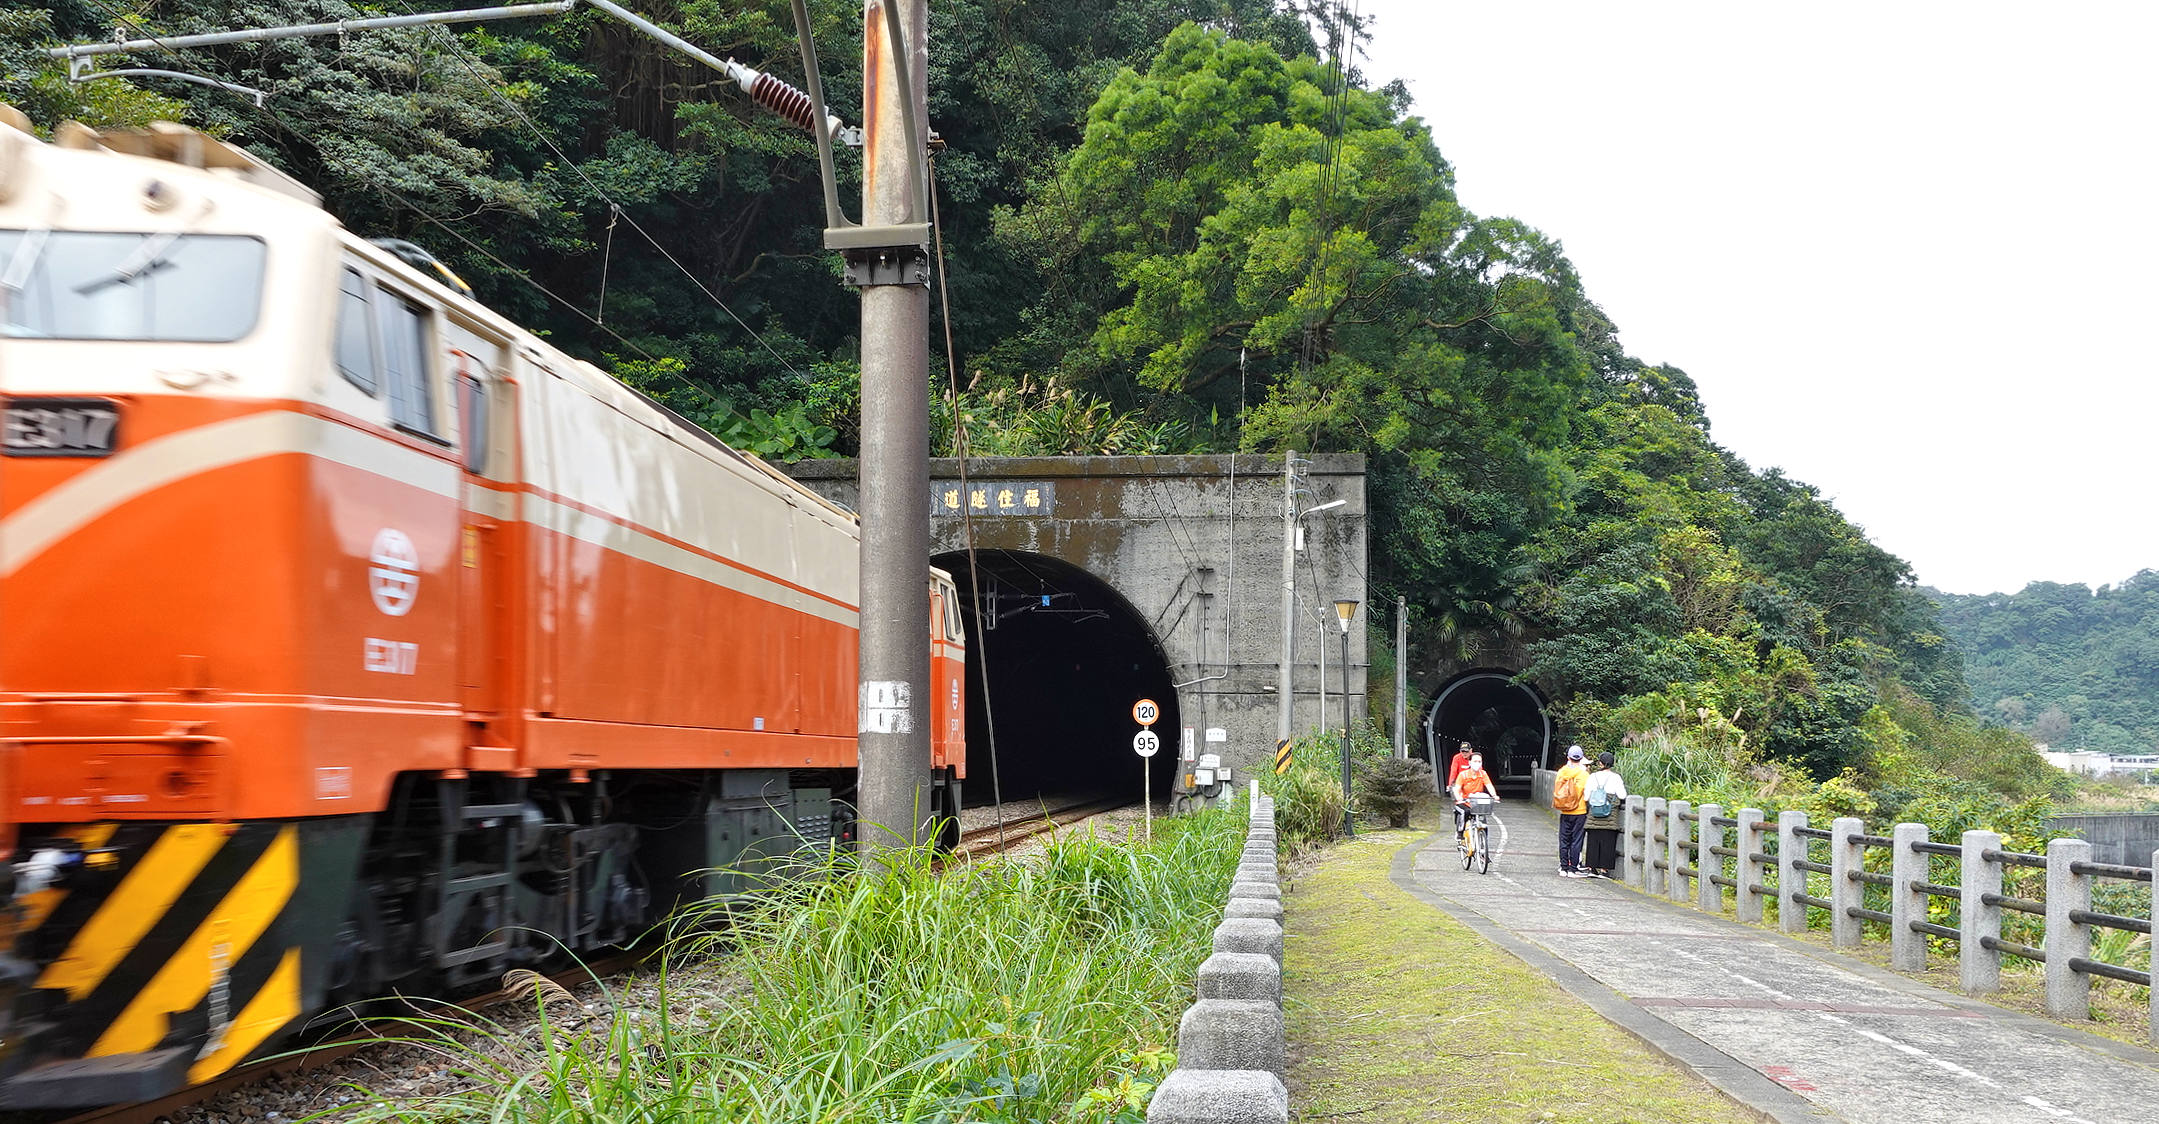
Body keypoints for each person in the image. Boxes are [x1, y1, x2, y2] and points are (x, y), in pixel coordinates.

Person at [1582, 751, 1628, 878]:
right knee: (1608, 841)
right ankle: (1604, 870)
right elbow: (1622, 795)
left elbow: (1586, 797)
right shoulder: (1616, 778)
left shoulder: (1593, 777)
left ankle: (1591, 868)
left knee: (1593, 840)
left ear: (1601, 763)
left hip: (1594, 814)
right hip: (1610, 814)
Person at [1552, 744, 1591, 877]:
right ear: (1581, 759)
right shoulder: (1584, 774)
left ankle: (1563, 867)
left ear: (1568, 757)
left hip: (1565, 811)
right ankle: (1573, 869)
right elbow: (1585, 794)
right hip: (1579, 811)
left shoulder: (1562, 771)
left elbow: (1557, 789)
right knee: (1576, 840)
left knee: (1564, 840)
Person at [1451, 751, 1500, 844]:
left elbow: (1489, 785)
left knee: (1484, 824)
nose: (1477, 764)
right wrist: (1459, 798)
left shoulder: (1483, 774)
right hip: (1465, 802)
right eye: (1475, 761)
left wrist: (1494, 795)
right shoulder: (1463, 775)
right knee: (1465, 812)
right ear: (1469, 762)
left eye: (1479, 761)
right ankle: (1459, 833)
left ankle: (1483, 848)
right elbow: (1456, 789)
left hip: (1477, 802)